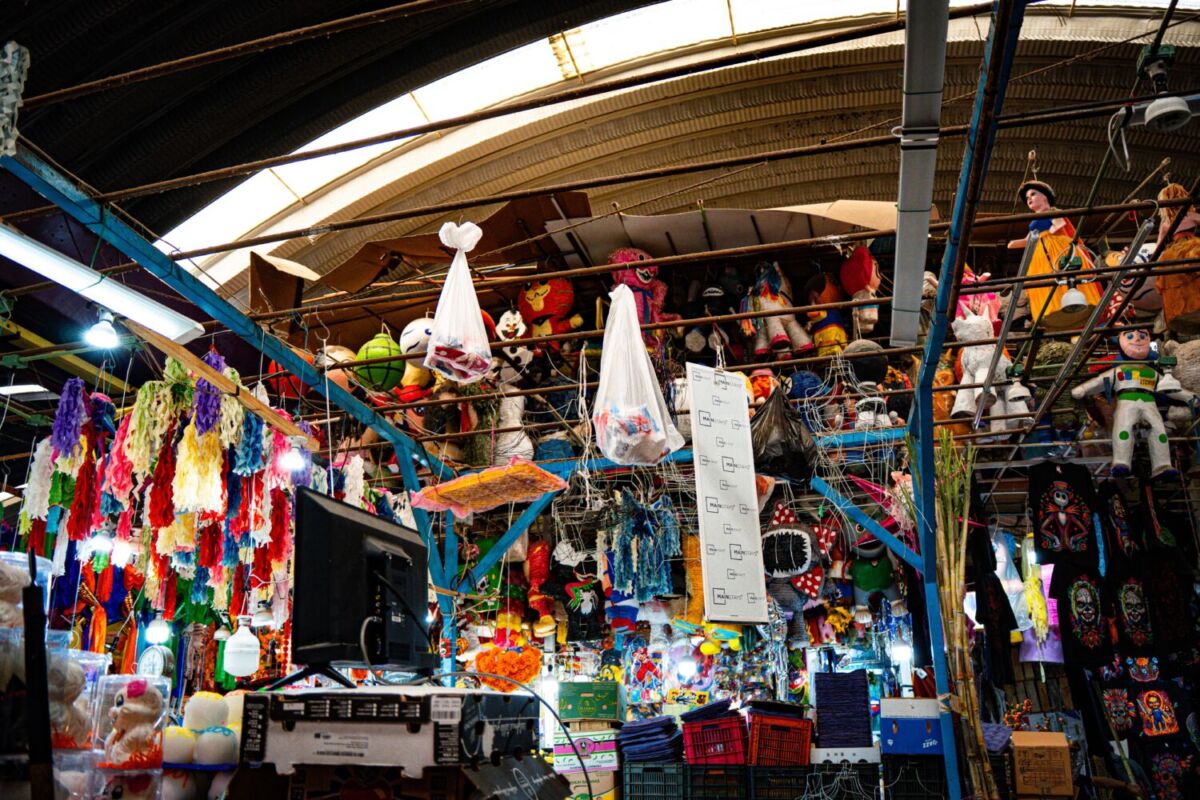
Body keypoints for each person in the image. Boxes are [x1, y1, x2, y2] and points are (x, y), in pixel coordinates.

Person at [1008, 180, 1103, 329]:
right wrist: (1014, 243)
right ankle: (1050, 308)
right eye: (1027, 198)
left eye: (1033, 194)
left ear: (1045, 197)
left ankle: (1070, 300)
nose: (1029, 199)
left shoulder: (1052, 211)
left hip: (1054, 246)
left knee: (1060, 272)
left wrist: (1048, 233)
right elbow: (1028, 239)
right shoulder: (1035, 219)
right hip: (1040, 250)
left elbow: (1059, 224)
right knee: (1043, 279)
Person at [1153, 182, 1200, 333]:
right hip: (1192, 245)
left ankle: (1180, 309)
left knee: (1173, 277)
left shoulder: (1166, 223)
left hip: (1172, 252)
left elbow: (1159, 246)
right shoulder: (1192, 215)